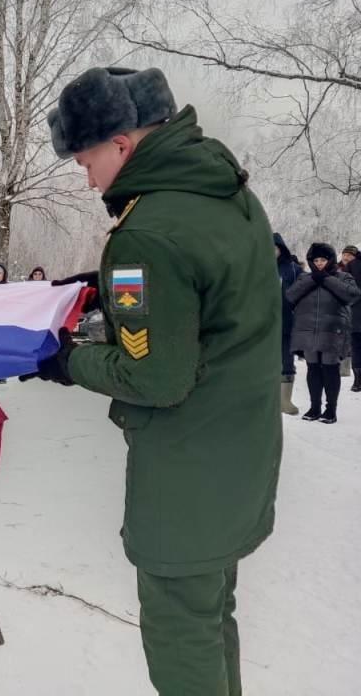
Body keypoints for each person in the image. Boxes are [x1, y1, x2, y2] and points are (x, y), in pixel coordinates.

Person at [32, 66, 282, 696]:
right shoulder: (225, 193)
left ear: (121, 144)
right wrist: (108, 288)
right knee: (211, 616)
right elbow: (208, 297)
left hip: (186, 471)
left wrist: (67, 362)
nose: (87, 180)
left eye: (86, 162)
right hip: (240, 453)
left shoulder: (145, 234)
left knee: (180, 637)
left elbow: (155, 377)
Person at [285, 242, 360, 423]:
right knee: (312, 368)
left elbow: (352, 294)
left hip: (332, 330)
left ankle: (331, 410)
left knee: (330, 368)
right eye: (316, 260)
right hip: (308, 330)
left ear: (330, 260)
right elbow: (290, 295)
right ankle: (315, 407)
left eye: (323, 260)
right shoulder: (304, 278)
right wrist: (313, 279)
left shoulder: (343, 276)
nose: (319, 263)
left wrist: (327, 279)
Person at [275, 233, 303, 414]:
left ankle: (285, 400)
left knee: (287, 360)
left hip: (287, 321)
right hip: (263, 324)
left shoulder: (292, 269)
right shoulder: (257, 267)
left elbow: (306, 287)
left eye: (275, 248)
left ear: (281, 249)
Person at [340, 244, 361, 392]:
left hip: (354, 315)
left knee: (356, 347)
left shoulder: (351, 267)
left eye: (349, 255)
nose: (346, 257)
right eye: (344, 254)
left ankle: (358, 381)